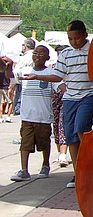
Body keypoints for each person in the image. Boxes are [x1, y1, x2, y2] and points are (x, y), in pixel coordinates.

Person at [25, 20, 93, 188]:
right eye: (70, 39)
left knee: (81, 127)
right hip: (70, 97)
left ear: (85, 35)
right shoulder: (66, 54)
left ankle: (91, 163)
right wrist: (37, 76)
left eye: (77, 38)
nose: (74, 42)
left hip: (89, 94)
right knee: (70, 135)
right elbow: (57, 76)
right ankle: (78, 173)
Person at [10, 45, 55, 181]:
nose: (37, 56)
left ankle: (45, 165)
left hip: (43, 116)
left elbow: (60, 87)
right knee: (25, 143)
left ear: (47, 58)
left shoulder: (50, 74)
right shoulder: (25, 71)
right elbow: (11, 75)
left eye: (41, 54)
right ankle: (24, 170)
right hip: (27, 115)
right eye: (35, 53)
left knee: (44, 142)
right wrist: (7, 66)